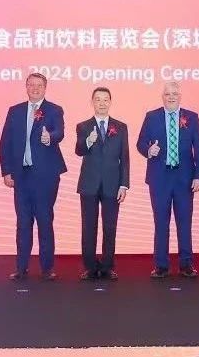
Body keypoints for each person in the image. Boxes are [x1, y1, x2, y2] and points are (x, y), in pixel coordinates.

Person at [0, 73, 67, 281]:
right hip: (21, 176)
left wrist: (49, 137)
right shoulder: (15, 111)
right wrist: (6, 171)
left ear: (45, 88)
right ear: (26, 87)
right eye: (31, 85)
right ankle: (21, 268)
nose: (35, 88)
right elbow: (5, 142)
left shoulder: (54, 110)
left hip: (45, 176)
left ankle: (47, 268)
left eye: (39, 85)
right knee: (23, 222)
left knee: (45, 221)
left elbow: (59, 132)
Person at [137, 81, 199, 279]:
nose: (171, 97)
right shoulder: (152, 117)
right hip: (159, 178)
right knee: (161, 222)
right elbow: (140, 143)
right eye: (167, 94)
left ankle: (186, 264)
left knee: (184, 222)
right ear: (163, 97)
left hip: (185, 178)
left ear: (180, 96)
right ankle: (161, 265)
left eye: (175, 93)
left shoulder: (192, 117)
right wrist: (149, 150)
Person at [74, 87, 130, 281]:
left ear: (110, 102)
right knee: (88, 227)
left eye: (105, 99)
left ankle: (107, 266)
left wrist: (124, 185)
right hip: (89, 184)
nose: (102, 103)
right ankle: (90, 267)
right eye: (98, 99)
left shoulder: (121, 127)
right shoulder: (83, 126)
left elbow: (125, 158)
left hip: (113, 184)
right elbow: (79, 150)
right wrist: (88, 141)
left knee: (110, 227)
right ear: (92, 102)